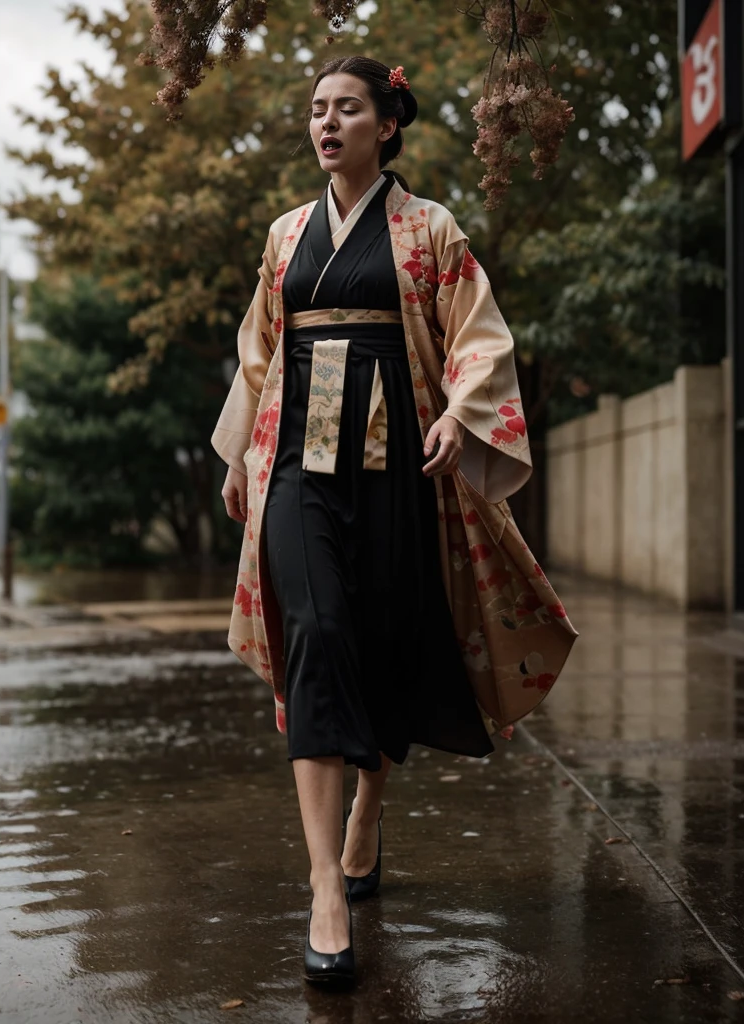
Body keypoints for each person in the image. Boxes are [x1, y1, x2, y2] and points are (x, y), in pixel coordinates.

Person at [210, 55, 578, 987]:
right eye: (316, 111)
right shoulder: (288, 234)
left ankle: (371, 799)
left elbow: (478, 337)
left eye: (347, 109)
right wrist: (243, 458)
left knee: (383, 640)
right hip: (297, 462)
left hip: (395, 465)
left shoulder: (429, 229)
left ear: (388, 123)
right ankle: (323, 887)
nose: (326, 124)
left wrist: (461, 410)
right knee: (320, 635)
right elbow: (262, 350)